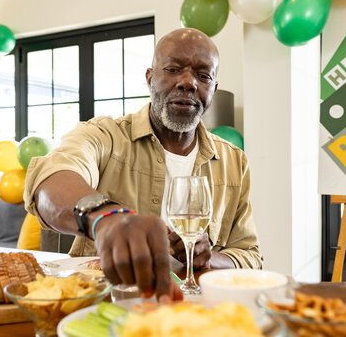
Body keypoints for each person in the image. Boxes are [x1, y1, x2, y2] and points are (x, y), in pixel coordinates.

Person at [24, 28, 263, 302]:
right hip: (106, 308)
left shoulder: (234, 161)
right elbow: (50, 181)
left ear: (213, 89)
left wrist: (211, 258)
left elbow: (251, 256)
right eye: (173, 69)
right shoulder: (105, 136)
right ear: (150, 78)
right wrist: (105, 217)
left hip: (196, 312)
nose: (188, 82)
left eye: (203, 75)